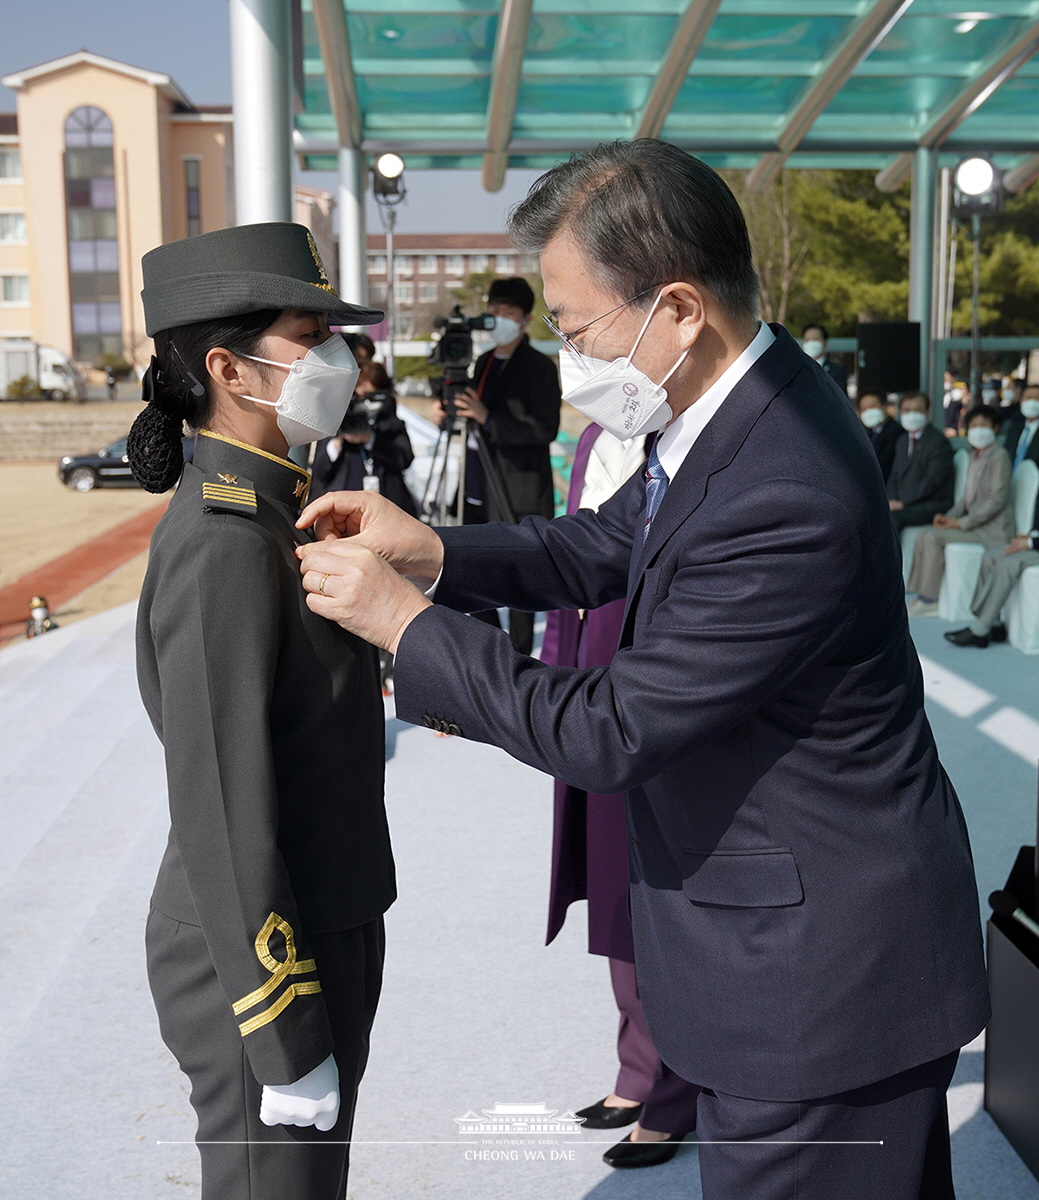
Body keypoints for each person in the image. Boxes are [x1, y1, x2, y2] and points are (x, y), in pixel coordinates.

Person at [295, 140, 989, 1200]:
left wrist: (407, 626)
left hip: (819, 988)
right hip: (806, 958)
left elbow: (610, 728)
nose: (572, 355)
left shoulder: (781, 484)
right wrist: (428, 548)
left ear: (674, 309)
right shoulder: (730, 407)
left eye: (578, 328)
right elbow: (595, 547)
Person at [127, 222, 395, 1200]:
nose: (339, 358)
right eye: (308, 333)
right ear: (229, 369)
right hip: (266, 959)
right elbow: (223, 810)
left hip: (324, 915)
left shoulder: (276, 507)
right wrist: (280, 1032)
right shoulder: (224, 542)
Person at [542, 422, 700, 1170]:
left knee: (655, 892)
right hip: (587, 675)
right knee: (609, 887)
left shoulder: (694, 438)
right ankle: (638, 1070)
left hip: (648, 688)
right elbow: (571, 552)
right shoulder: (595, 437)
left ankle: (674, 1092)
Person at [429, 276, 562, 655]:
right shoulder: (483, 361)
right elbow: (468, 415)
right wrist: (450, 410)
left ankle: (519, 651)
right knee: (472, 565)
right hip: (476, 483)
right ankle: (492, 645)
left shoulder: (538, 367)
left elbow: (545, 429)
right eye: (493, 312)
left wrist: (489, 417)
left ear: (525, 318)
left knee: (519, 571)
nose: (499, 319)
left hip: (515, 488)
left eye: (508, 313)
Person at [907, 404, 1014, 616]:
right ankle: (921, 594)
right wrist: (948, 518)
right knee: (924, 533)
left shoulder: (999, 456)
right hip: (974, 525)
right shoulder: (975, 455)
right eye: (974, 425)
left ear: (995, 428)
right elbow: (965, 500)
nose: (978, 430)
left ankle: (931, 600)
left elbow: (996, 500)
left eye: (984, 425)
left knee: (931, 538)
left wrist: (961, 523)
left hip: (991, 531)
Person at [310, 361, 417, 516]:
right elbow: (319, 472)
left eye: (372, 395)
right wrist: (337, 443)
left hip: (386, 507)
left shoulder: (390, 423)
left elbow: (404, 459)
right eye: (360, 395)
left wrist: (371, 440)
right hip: (342, 509)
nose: (366, 402)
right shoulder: (335, 422)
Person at [887, 391, 955, 531]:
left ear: (927, 412)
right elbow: (894, 475)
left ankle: (890, 554)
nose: (912, 414)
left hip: (931, 503)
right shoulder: (902, 441)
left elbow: (933, 481)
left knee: (892, 518)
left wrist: (903, 502)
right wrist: (892, 499)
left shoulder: (938, 441)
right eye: (907, 410)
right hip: (906, 503)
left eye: (917, 410)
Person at [856, 388, 904, 482]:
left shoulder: (897, 433)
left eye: (872, 406)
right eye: (864, 409)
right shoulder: (860, 433)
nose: (868, 412)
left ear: (884, 406)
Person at [1001, 383, 1039, 472]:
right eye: (1028, 398)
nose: (1032, 402)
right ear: (1021, 401)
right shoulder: (1014, 429)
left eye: (1037, 398)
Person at [801, 323, 846, 393]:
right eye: (807, 340)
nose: (811, 343)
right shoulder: (795, 369)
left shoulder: (836, 371)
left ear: (825, 343)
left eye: (816, 339)